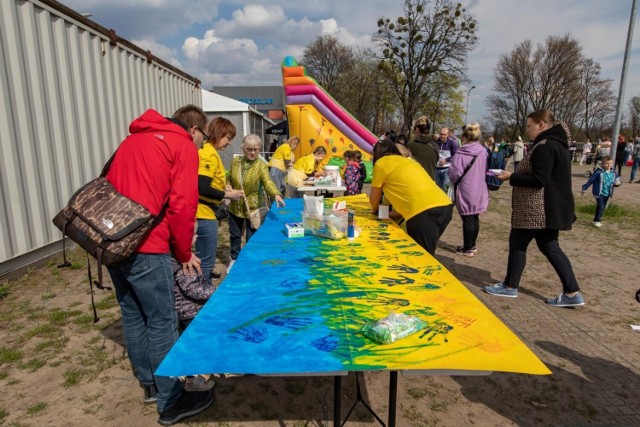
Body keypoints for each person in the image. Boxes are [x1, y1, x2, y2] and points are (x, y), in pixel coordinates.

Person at [105, 105, 214, 426]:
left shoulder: (132, 141)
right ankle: (171, 401)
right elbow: (183, 205)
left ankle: (150, 385)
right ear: (193, 130)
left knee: (133, 315)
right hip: (147, 245)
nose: (203, 146)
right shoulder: (179, 144)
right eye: (204, 139)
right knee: (162, 321)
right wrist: (183, 254)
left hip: (113, 242)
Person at [484, 109, 584, 308]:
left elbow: (540, 179)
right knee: (550, 246)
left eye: (529, 126)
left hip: (536, 209)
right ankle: (572, 292)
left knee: (518, 243)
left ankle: (510, 286)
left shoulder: (546, 146)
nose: (527, 130)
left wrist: (510, 177)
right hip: (548, 208)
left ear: (541, 125)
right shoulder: (557, 144)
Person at [369, 139, 453, 255]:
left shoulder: (382, 163)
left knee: (421, 257)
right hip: (445, 206)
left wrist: (375, 211)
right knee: (425, 251)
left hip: (423, 212)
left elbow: (374, 198)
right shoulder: (410, 162)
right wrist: (387, 214)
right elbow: (403, 206)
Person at [196, 117, 244, 283]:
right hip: (204, 213)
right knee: (207, 259)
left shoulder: (209, 151)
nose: (229, 143)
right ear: (219, 133)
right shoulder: (208, 153)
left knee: (206, 256)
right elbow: (201, 187)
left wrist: (223, 189)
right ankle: (203, 292)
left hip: (207, 212)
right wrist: (227, 195)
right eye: (228, 138)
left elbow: (209, 182)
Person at [227, 134, 285, 272]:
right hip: (235, 205)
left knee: (251, 238)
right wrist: (228, 186)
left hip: (253, 208)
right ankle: (234, 260)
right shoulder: (236, 162)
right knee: (235, 236)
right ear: (243, 149)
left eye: (256, 150)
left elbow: (267, 182)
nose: (253, 153)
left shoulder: (261, 165)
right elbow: (229, 177)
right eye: (249, 149)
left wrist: (275, 193)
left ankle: (250, 263)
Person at [448, 123, 489, 257]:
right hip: (480, 188)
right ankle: (472, 245)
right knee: (475, 217)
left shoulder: (462, 152)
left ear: (465, 136)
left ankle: (467, 248)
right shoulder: (483, 151)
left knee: (467, 218)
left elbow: (454, 173)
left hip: (466, 188)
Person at [581, 156, 621, 227]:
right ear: (602, 164)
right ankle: (597, 221)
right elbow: (591, 180)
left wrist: (618, 183)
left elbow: (617, 181)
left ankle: (595, 219)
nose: (609, 165)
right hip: (599, 193)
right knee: (601, 206)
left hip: (608, 193)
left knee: (601, 207)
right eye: (607, 163)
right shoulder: (598, 172)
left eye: (610, 163)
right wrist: (585, 188)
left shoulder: (614, 172)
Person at [435, 127, 459, 192]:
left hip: (447, 169)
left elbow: (455, 156)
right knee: (438, 189)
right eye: (441, 134)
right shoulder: (436, 143)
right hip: (437, 169)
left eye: (444, 134)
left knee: (446, 189)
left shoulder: (452, 143)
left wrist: (446, 160)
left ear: (448, 135)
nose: (442, 136)